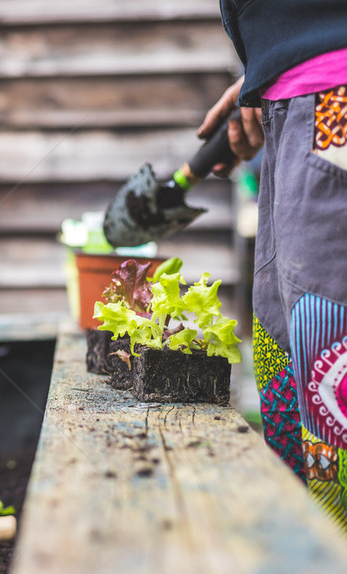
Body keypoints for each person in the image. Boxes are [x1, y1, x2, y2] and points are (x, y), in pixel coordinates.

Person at [197, 1, 347, 530]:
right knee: (286, 354)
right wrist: (268, 67)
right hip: (298, 100)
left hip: (336, 106)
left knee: (330, 346)